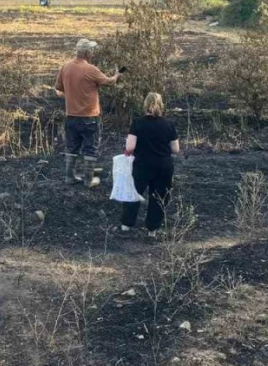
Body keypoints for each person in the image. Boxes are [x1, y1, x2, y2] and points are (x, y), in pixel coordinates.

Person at [54, 38, 121, 185]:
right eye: (91, 50)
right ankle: (89, 180)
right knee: (90, 147)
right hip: (89, 117)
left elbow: (59, 89)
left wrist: (72, 94)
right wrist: (116, 75)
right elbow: (109, 82)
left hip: (71, 116)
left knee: (72, 146)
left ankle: (69, 177)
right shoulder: (91, 69)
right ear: (87, 53)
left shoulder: (65, 67)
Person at [120, 92, 180, 234]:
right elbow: (175, 149)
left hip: (142, 165)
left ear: (145, 105)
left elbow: (130, 147)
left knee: (133, 194)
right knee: (159, 197)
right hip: (163, 166)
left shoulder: (137, 123)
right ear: (161, 105)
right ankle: (152, 229)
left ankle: (126, 225)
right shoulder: (169, 124)